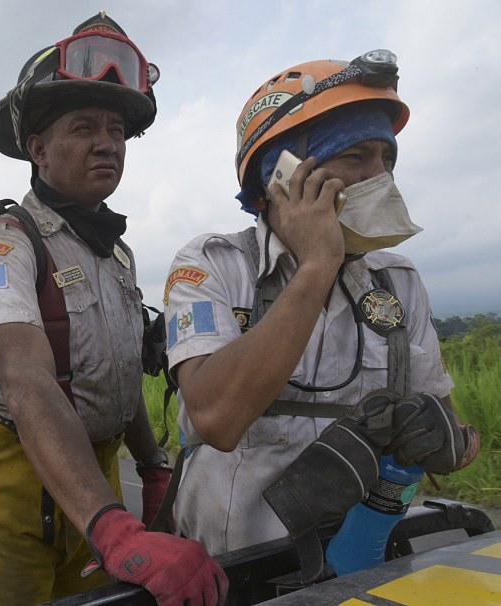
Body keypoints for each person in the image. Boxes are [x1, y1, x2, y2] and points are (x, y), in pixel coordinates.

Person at [0, 12, 226, 606]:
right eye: (85, 126)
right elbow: (25, 377)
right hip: (1, 484)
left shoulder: (118, 254)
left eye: (116, 129)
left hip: (98, 477)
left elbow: (114, 371)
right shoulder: (5, 242)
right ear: (37, 148)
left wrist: (152, 463)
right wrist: (111, 526)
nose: (107, 143)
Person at [163, 50, 479, 556]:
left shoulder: (398, 281)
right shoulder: (213, 264)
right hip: (236, 561)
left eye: (387, 158)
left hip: (363, 557)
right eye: (355, 157)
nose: (381, 176)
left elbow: (445, 423)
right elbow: (215, 418)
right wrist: (316, 265)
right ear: (284, 174)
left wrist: (448, 439)